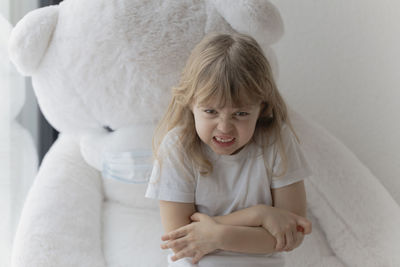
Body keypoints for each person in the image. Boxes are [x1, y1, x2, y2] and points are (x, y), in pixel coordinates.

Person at [145, 32, 312, 267]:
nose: (224, 127)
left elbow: (292, 233)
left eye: (241, 114)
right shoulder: (177, 147)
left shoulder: (277, 141)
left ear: (261, 108)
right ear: (191, 103)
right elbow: (183, 240)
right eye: (210, 112)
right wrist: (260, 215)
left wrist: (216, 236)